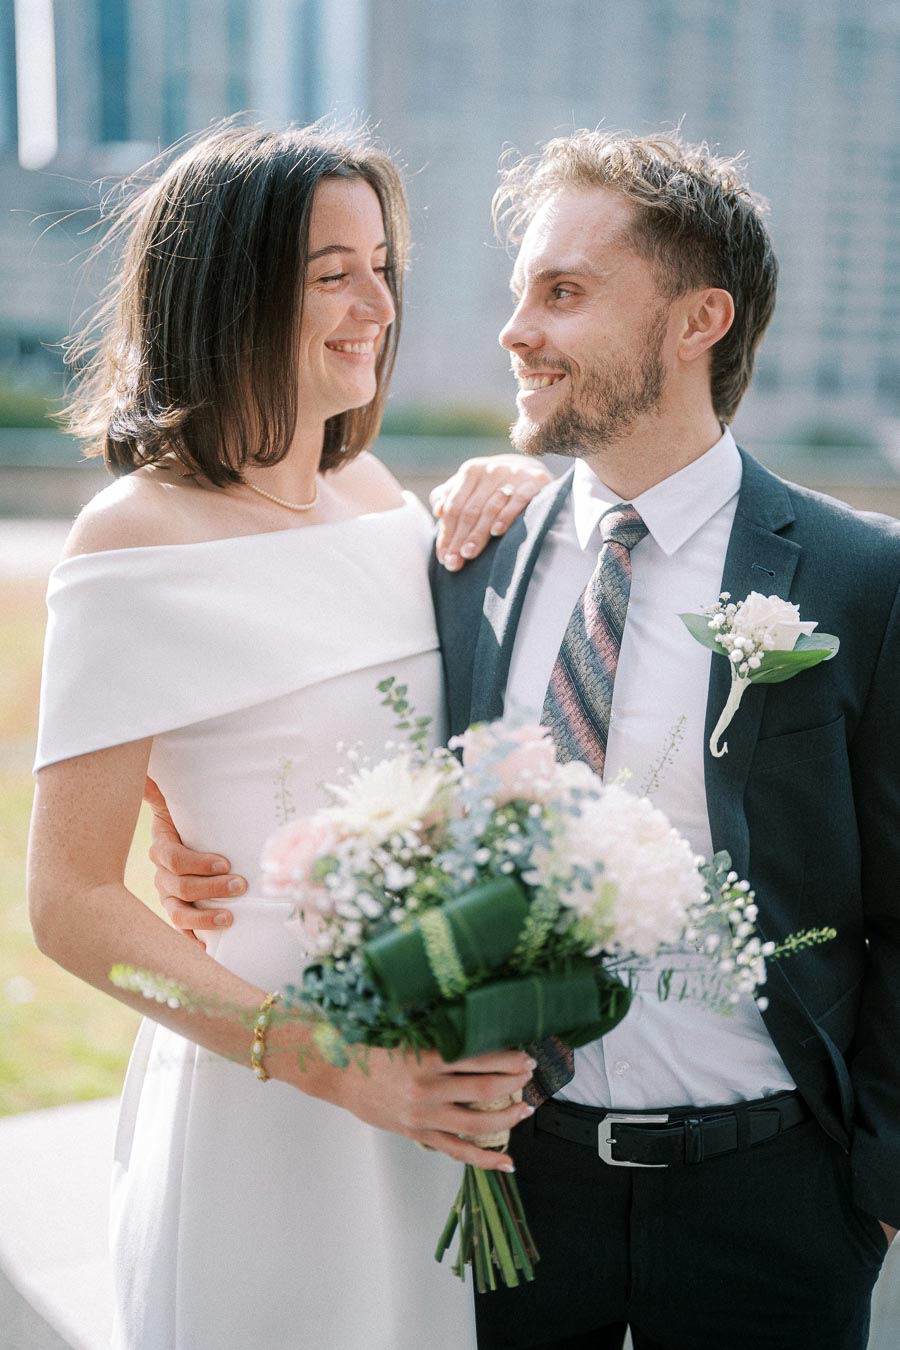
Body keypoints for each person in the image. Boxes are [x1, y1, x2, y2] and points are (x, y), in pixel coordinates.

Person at [163, 129, 900, 1350]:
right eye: (520, 294)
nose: (515, 331)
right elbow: (309, 721)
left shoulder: (859, 577)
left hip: (774, 1200)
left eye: (563, 293)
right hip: (509, 1195)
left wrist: (872, 1201)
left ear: (696, 320)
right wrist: (174, 816)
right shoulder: (464, 555)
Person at [27, 122, 550, 1350]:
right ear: (227, 289)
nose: (377, 303)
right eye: (332, 274)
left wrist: (522, 495)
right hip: (272, 1089)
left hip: (436, 1079)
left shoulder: (378, 499)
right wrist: (330, 1064)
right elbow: (67, 905)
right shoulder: (129, 537)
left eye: (382, 266)